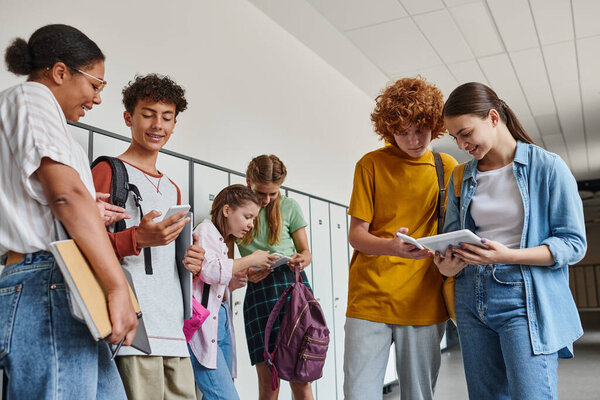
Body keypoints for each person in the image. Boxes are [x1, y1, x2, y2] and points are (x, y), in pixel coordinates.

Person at [0, 24, 138, 399]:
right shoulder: (32, 98)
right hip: (44, 279)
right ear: (60, 72)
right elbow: (66, 196)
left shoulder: (45, 119)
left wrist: (90, 210)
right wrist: (117, 287)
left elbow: (57, 199)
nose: (96, 99)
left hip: (63, 281)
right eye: (95, 85)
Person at [435, 82, 586, 400]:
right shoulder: (461, 176)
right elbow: (451, 237)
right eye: (455, 138)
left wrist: (506, 256)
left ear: (492, 117)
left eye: (465, 133)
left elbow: (573, 243)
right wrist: (447, 266)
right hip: (469, 299)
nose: (462, 145)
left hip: (523, 298)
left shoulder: (547, 168)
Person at [92, 74, 204, 400]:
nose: (158, 125)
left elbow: (173, 261)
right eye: (148, 114)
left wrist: (191, 259)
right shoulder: (109, 172)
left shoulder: (173, 188)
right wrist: (137, 239)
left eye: (167, 117)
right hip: (132, 333)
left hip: (173, 331)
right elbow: (82, 246)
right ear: (129, 117)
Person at [345, 77, 457, 400]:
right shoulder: (370, 165)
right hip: (369, 300)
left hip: (423, 300)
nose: (413, 139)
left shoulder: (445, 167)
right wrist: (390, 246)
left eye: (420, 129)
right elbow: (356, 234)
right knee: (358, 394)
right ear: (388, 129)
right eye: (402, 131)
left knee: (419, 396)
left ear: (434, 125)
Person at [188, 184, 279, 400]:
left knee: (220, 389)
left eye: (254, 219)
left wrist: (231, 282)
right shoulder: (205, 230)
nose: (251, 224)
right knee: (225, 396)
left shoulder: (223, 241)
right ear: (227, 210)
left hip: (222, 321)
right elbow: (208, 269)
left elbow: (210, 281)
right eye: (248, 216)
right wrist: (250, 259)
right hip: (205, 325)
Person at [237, 154, 313, 400]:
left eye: (273, 193)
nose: (267, 199)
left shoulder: (290, 206)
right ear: (249, 181)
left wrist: (302, 259)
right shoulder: (237, 208)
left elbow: (306, 252)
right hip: (259, 291)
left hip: (292, 288)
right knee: (269, 383)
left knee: (301, 379)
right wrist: (247, 273)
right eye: (261, 193)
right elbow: (227, 264)